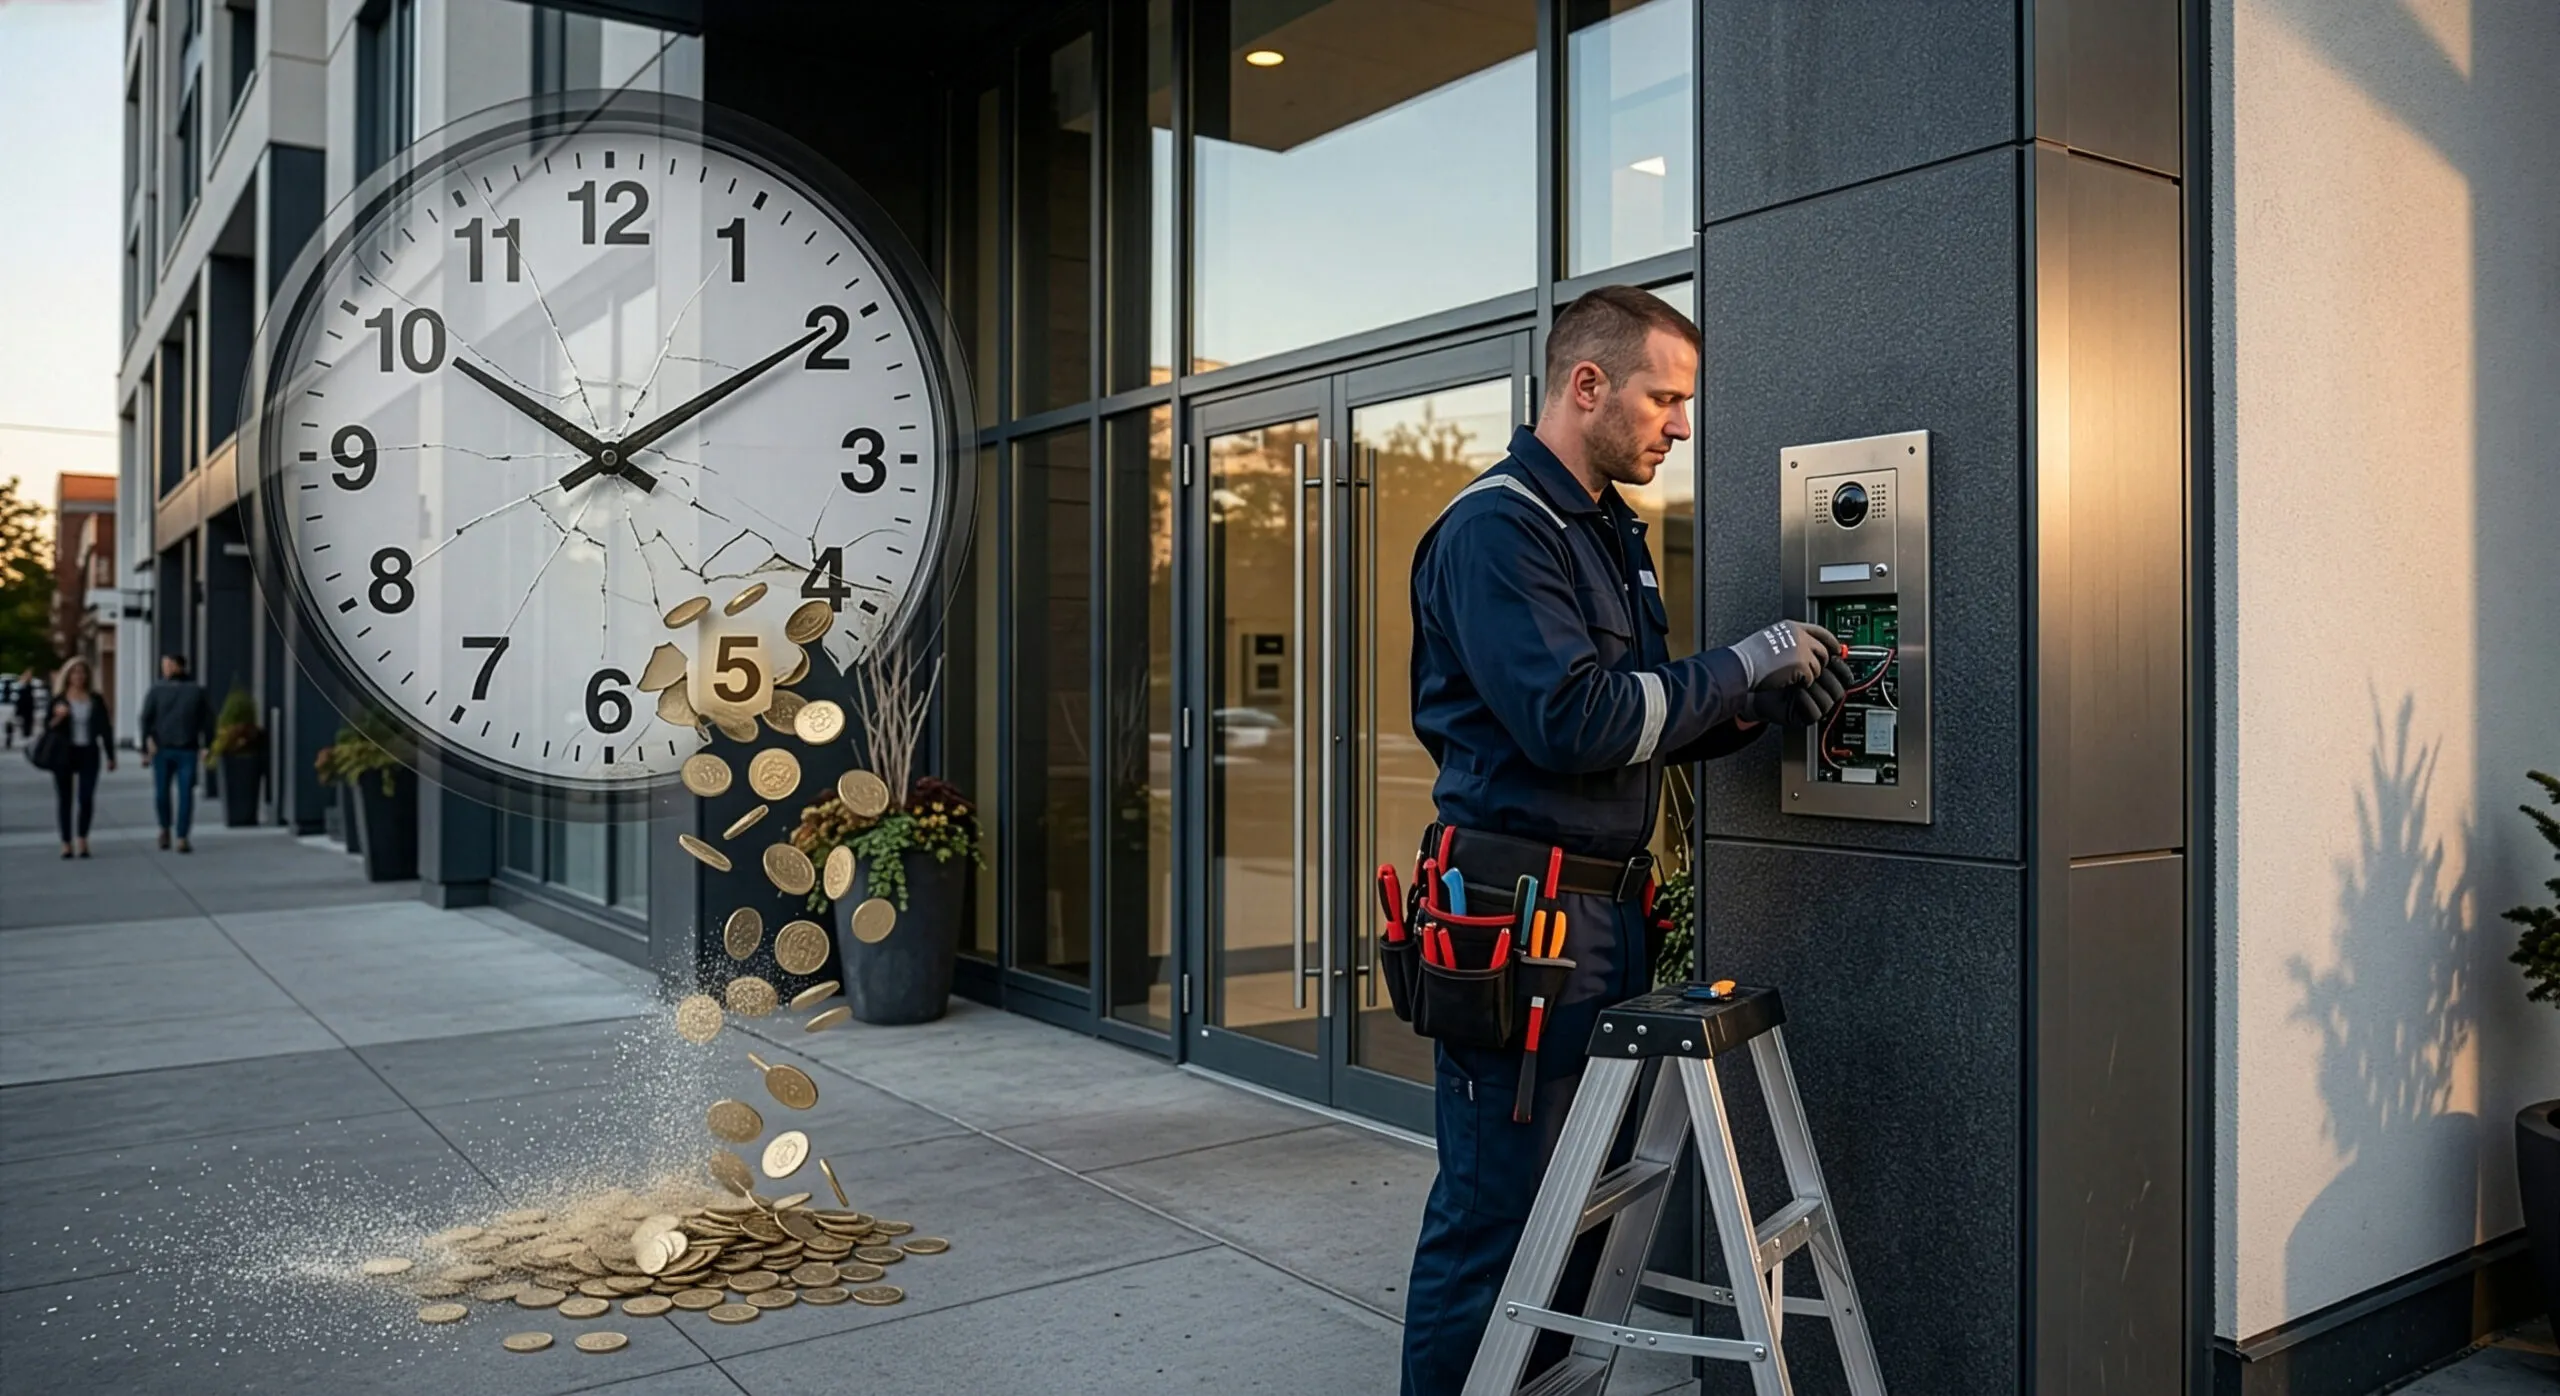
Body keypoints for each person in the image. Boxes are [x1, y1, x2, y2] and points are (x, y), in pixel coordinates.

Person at [1397, 286, 1849, 1395]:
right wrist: (1748, 658)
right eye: (1666, 397)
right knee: (1499, 1212)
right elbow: (1572, 720)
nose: (1681, 425)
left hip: (1597, 918)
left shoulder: (1604, 532)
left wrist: (1749, 710)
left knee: (1579, 1207)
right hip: (1519, 921)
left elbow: (1637, 720)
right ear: (1585, 384)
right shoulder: (1498, 530)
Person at [138, 653, 215, 852]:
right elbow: (146, 718)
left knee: (186, 794)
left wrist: (207, 745)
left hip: (187, 749)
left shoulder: (196, 691)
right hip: (162, 749)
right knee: (161, 794)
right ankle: (164, 828)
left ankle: (182, 835)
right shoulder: (156, 690)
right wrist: (146, 747)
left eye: (170, 665)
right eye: (164, 665)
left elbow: (207, 720)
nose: (166, 669)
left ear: (181, 666)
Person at [45, 658, 116, 859]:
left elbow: (105, 729)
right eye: (74, 672)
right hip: (64, 753)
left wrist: (111, 755)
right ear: (67, 676)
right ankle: (66, 842)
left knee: (86, 798)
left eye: (82, 672)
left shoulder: (95, 699)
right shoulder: (59, 699)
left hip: (89, 752)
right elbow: (47, 727)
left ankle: (82, 838)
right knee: (65, 799)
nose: (78, 676)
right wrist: (59, 717)